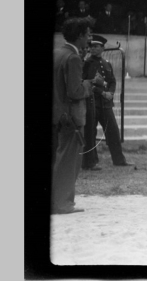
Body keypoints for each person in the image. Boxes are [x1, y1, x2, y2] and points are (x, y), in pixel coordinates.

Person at [52, 17, 98, 214]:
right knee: (69, 163)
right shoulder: (73, 58)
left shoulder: (57, 53)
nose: (89, 39)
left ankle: (58, 201)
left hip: (59, 115)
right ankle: (62, 203)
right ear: (79, 36)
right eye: (87, 35)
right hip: (71, 118)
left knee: (61, 159)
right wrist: (89, 84)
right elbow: (75, 92)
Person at [81, 35, 130, 170]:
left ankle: (119, 160)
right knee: (90, 133)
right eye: (91, 46)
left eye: (96, 46)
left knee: (113, 131)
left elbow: (112, 81)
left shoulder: (106, 63)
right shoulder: (87, 64)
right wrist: (102, 92)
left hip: (106, 104)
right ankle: (89, 163)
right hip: (92, 103)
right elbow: (85, 83)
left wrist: (111, 93)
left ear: (102, 48)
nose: (93, 49)